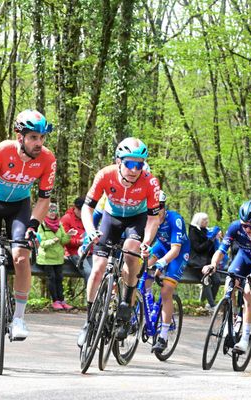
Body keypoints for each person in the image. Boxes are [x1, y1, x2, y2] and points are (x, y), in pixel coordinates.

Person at [0, 109, 56, 340]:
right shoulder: (2, 151)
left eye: (42, 137)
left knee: (21, 257)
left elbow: (44, 199)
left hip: (20, 207)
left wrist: (33, 225)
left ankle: (19, 318)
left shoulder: (47, 159)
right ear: (20, 137)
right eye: (33, 137)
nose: (39, 143)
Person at [78, 137, 160, 346]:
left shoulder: (150, 181)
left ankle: (126, 303)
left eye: (139, 165)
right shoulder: (105, 175)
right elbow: (87, 208)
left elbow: (153, 218)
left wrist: (147, 241)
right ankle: (89, 323)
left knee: (130, 253)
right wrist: (90, 231)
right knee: (98, 268)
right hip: (111, 219)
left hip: (136, 220)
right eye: (129, 163)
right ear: (118, 161)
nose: (134, 169)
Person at [203, 200, 251, 353]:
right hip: (242, 258)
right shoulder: (235, 227)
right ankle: (234, 317)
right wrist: (213, 264)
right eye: (245, 225)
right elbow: (222, 250)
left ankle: (245, 338)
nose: (247, 229)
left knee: (248, 293)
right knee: (230, 282)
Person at [145, 191, 190, 353]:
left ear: (164, 207)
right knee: (141, 275)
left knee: (166, 291)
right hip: (161, 246)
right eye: (153, 208)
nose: (157, 211)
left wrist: (161, 263)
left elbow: (175, 250)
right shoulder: (148, 218)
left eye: (160, 208)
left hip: (177, 252)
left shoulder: (175, 219)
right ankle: (149, 308)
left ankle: (163, 336)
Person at [37, 202, 76, 310]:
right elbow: (42, 243)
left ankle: (62, 301)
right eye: (50, 210)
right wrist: (52, 241)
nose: (53, 213)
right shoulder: (41, 225)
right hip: (46, 258)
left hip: (58, 258)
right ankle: (55, 301)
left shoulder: (59, 224)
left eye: (54, 210)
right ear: (45, 211)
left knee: (59, 278)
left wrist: (69, 235)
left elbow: (63, 240)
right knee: (52, 278)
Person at [188, 212, 222, 311]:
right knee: (206, 280)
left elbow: (210, 249)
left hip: (208, 263)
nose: (207, 221)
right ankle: (212, 305)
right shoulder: (193, 231)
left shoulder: (207, 231)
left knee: (217, 281)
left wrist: (216, 239)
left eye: (207, 219)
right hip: (197, 264)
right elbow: (198, 248)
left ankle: (205, 303)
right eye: (204, 220)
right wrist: (211, 239)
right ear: (198, 221)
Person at [61, 197, 91, 284]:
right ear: (76, 208)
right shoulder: (66, 219)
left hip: (89, 252)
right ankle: (92, 297)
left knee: (98, 272)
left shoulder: (88, 218)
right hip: (74, 253)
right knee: (88, 273)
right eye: (81, 210)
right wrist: (79, 242)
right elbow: (63, 240)